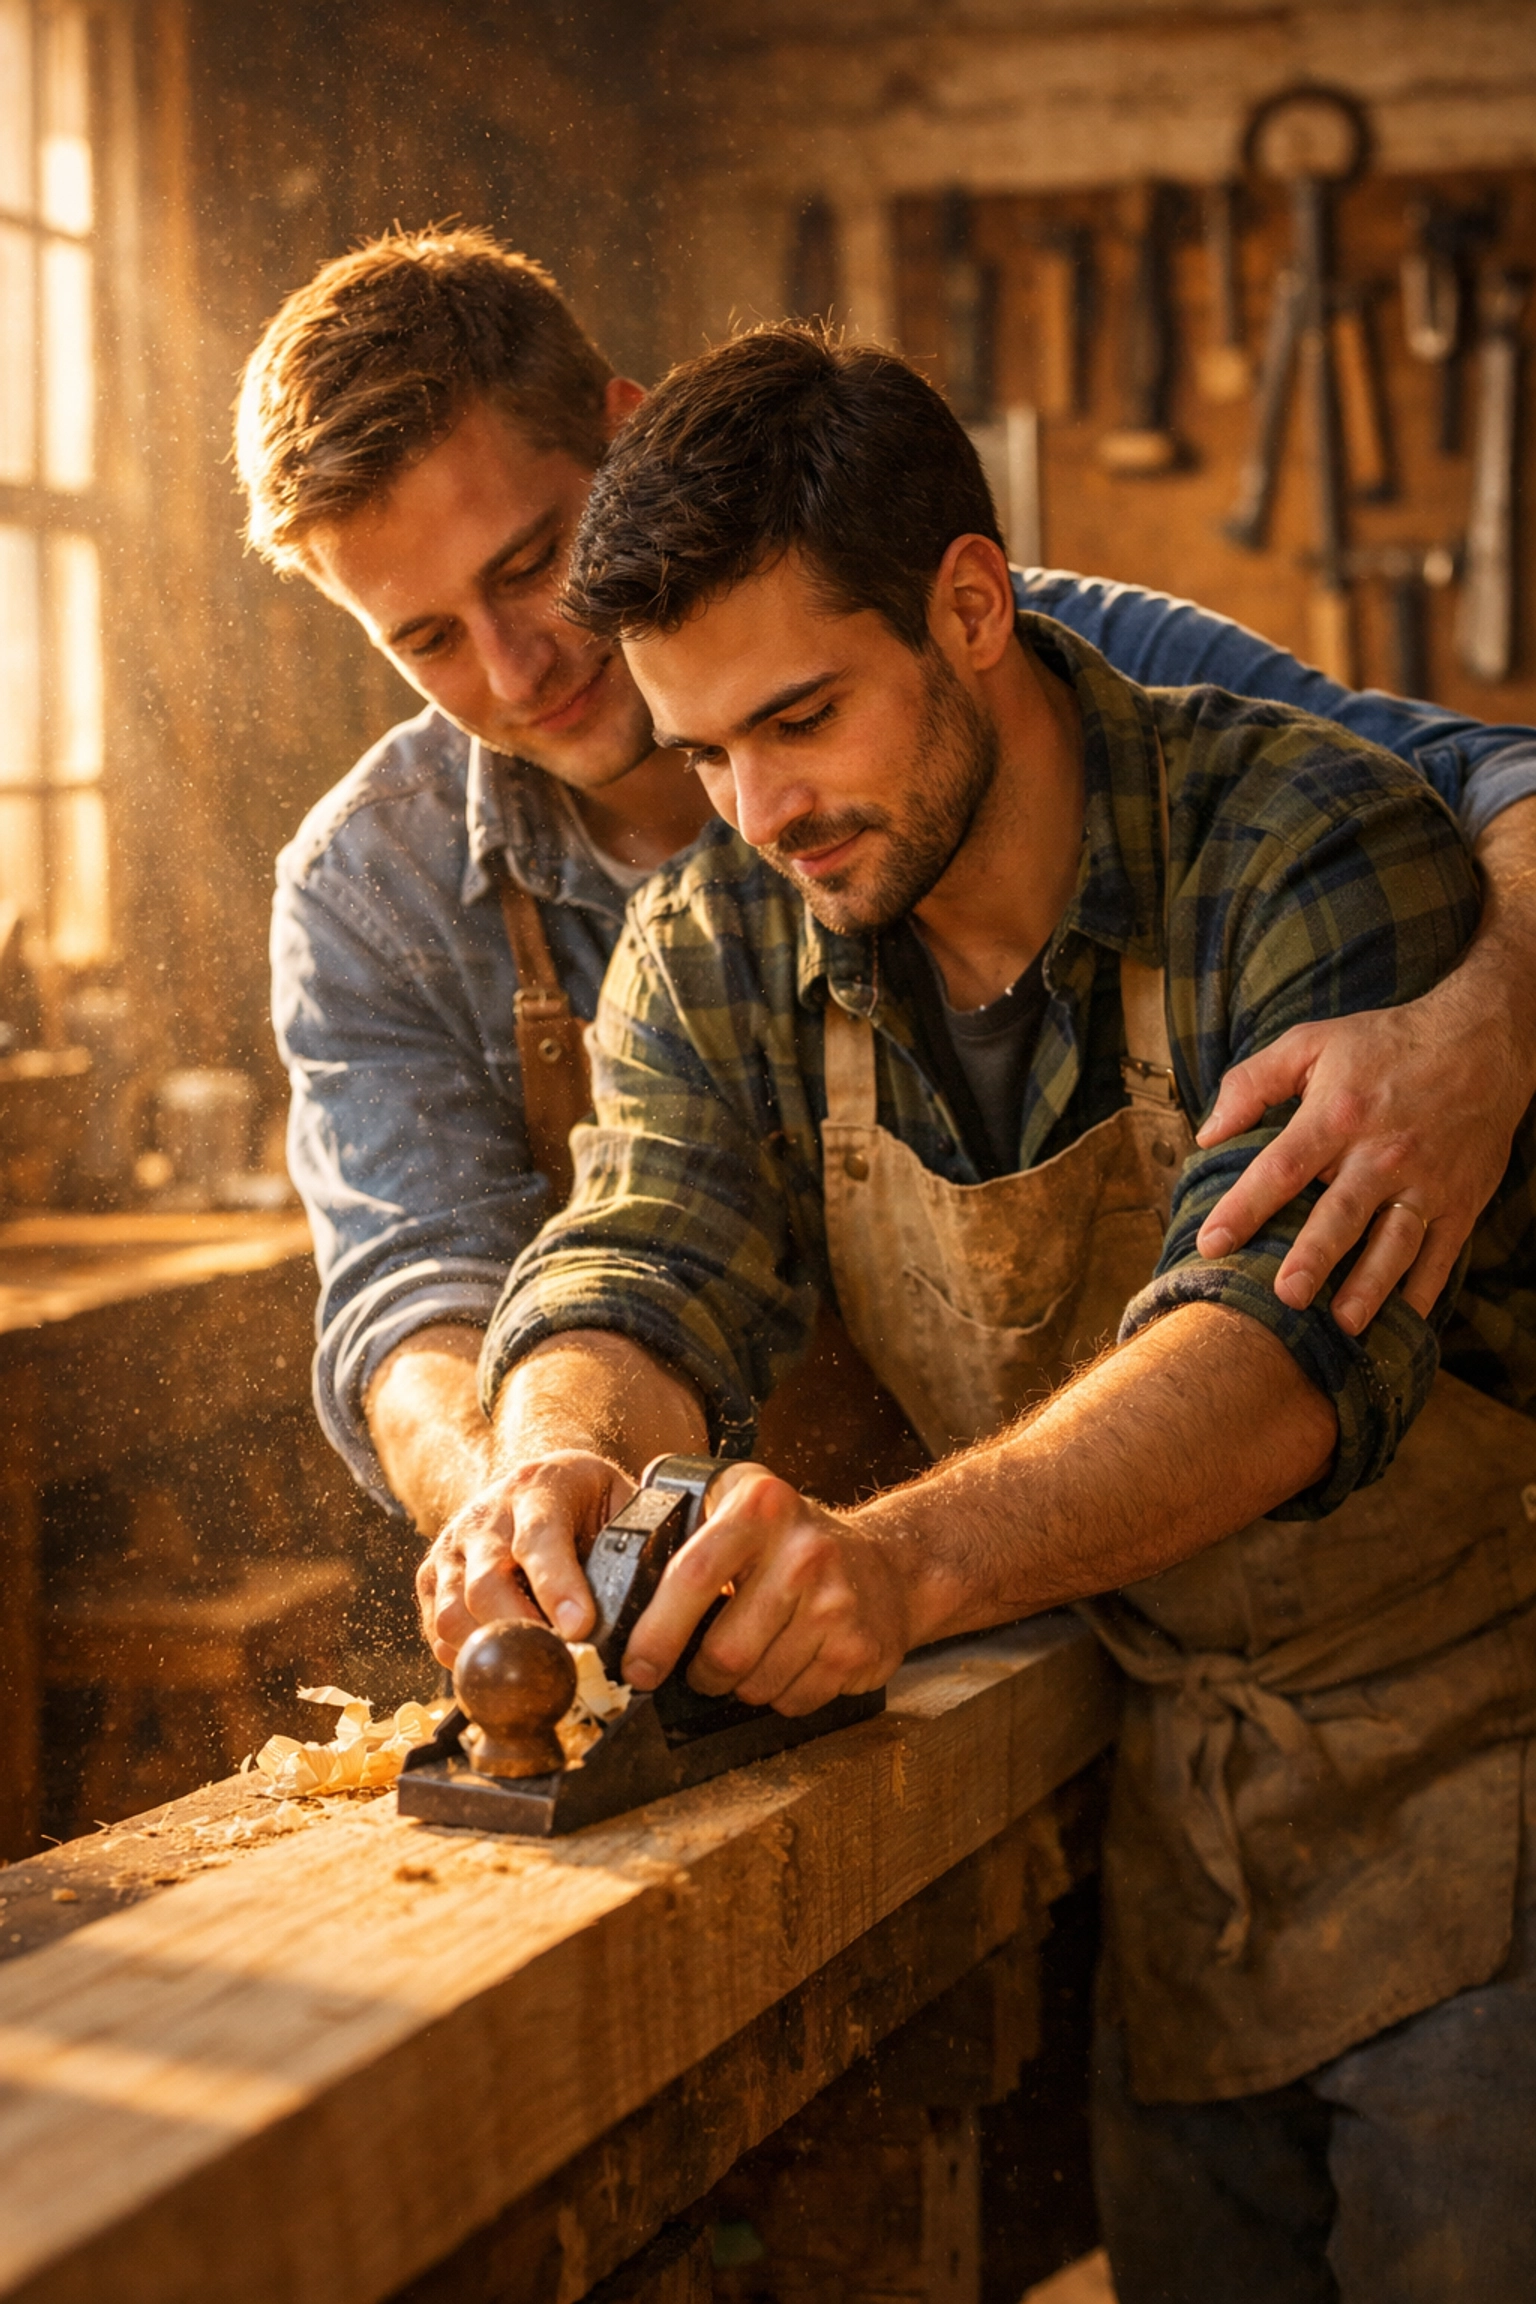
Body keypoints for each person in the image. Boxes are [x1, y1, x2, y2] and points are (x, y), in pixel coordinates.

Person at [433, 326, 1536, 2303]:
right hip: (1177, 1841)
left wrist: (895, 1563)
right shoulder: (728, 932)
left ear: (966, 604)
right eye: (704, 752)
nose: (758, 809)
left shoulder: (1301, 842)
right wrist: (561, 1453)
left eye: (802, 720)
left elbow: (1280, 1355)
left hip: (1494, 1782)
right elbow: (641, 1246)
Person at [240, 227, 1536, 1547]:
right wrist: (533, 1500)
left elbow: (1468, 785)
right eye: (429, 639)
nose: (518, 669)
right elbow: (517, 1268)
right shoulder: (574, 917)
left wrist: (1493, 1006)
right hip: (918, 1594)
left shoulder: (1072, 676)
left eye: (530, 567)